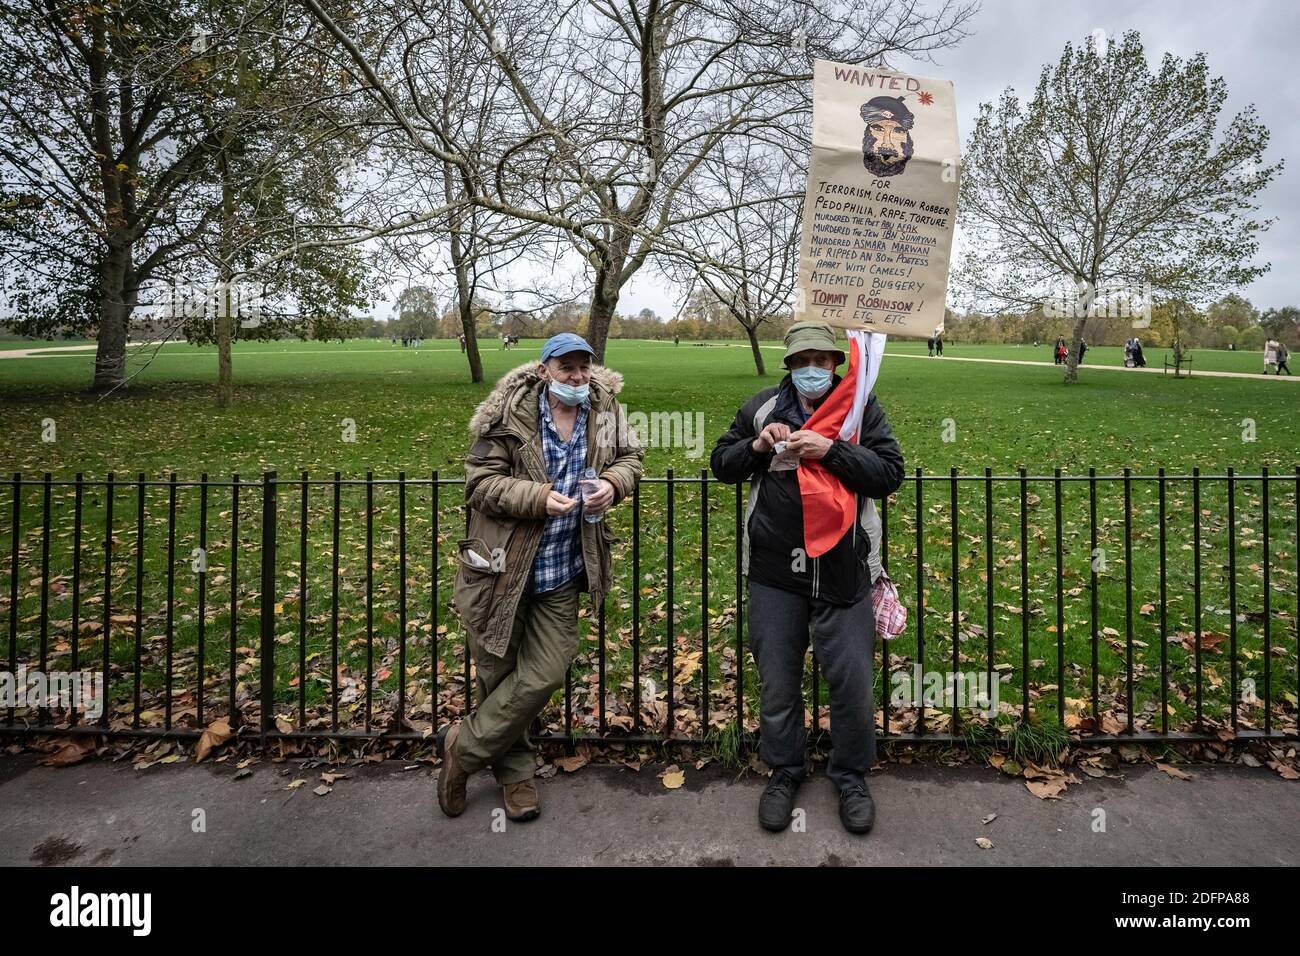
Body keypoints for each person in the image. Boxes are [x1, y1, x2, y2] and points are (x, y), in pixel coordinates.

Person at [439, 333, 644, 822]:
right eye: (566, 367)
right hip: (500, 571)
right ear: (545, 369)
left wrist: (611, 486)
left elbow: (632, 460)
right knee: (499, 675)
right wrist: (536, 497)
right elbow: (479, 482)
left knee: (545, 673)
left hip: (562, 569)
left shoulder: (605, 409)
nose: (576, 376)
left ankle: (462, 749)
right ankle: (516, 777)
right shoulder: (507, 414)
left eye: (583, 367)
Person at [711, 321, 905, 835]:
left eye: (823, 361)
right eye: (803, 362)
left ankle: (850, 775)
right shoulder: (762, 408)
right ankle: (785, 771)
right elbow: (721, 464)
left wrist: (832, 451)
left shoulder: (861, 409)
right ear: (789, 367)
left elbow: (889, 474)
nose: (813, 370)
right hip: (776, 571)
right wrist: (755, 445)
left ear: (837, 365)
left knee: (852, 685)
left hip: (843, 569)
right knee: (778, 683)